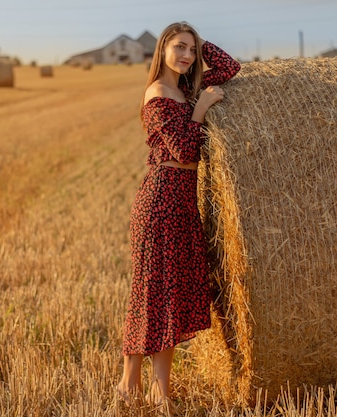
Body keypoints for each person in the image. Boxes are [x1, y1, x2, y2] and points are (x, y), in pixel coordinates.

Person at [117, 21, 241, 411]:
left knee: (156, 296)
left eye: (192, 49)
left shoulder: (184, 88)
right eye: (180, 47)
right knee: (157, 296)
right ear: (162, 48)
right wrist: (201, 108)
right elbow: (185, 149)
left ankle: (132, 385)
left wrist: (202, 46)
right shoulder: (159, 94)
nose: (188, 55)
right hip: (161, 201)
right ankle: (154, 390)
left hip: (181, 201)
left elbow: (229, 67)